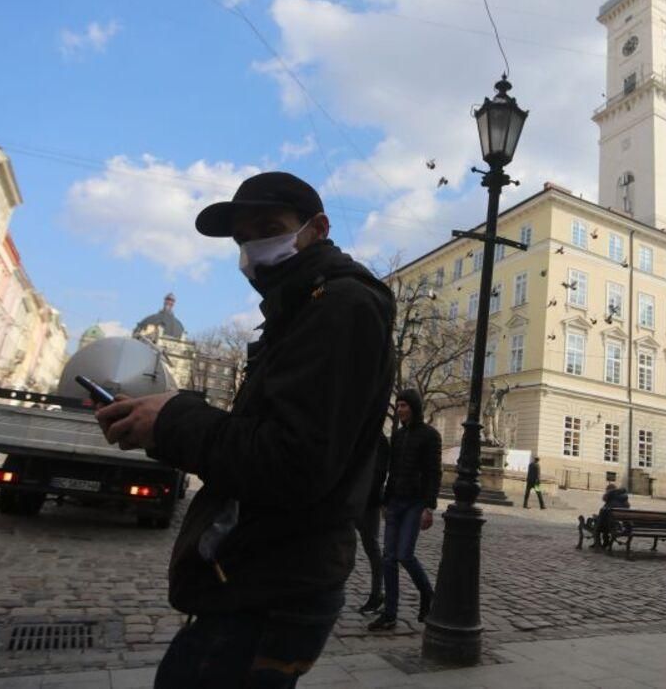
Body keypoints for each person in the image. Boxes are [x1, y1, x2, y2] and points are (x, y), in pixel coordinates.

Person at [95, 171, 394, 687]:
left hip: (274, 587)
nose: (253, 249)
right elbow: (263, 436)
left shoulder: (341, 305)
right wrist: (160, 423)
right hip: (255, 576)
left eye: (270, 229)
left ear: (318, 228)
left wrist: (173, 419)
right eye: (242, 239)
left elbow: (294, 461)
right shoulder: (300, 306)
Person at [367, 389, 441, 631]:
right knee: (389, 558)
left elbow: (434, 473)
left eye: (403, 406)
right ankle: (390, 613)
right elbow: (392, 470)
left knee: (405, 555)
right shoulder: (397, 436)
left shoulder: (430, 435)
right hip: (395, 502)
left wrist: (429, 507)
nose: (399, 410)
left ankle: (427, 593)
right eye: (398, 405)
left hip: (415, 503)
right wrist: (385, 501)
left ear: (414, 407)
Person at [356, 428, 390, 614]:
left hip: (368, 502)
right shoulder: (359, 434)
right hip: (352, 499)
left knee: (372, 547)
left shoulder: (380, 440)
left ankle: (377, 593)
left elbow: (379, 475)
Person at [593, 483, 631, 548]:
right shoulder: (624, 501)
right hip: (619, 526)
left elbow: (602, 516)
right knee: (606, 522)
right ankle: (604, 542)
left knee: (597, 526)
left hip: (610, 525)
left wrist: (596, 517)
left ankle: (599, 543)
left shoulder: (609, 503)